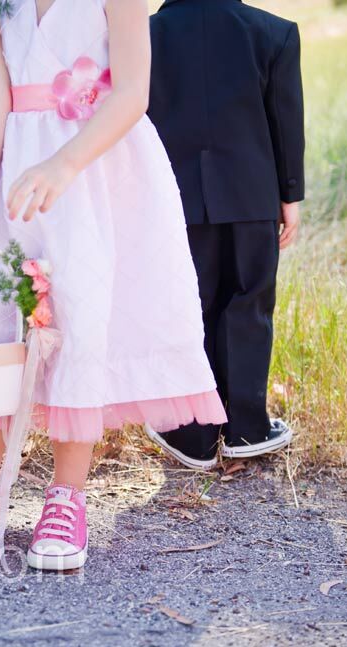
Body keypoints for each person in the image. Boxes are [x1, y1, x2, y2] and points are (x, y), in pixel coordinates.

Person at [0, 0, 227, 572]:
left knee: (79, 318)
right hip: (13, 172)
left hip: (90, 172)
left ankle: (66, 497)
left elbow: (131, 93)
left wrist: (63, 165)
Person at [145, 0, 305, 470]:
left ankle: (191, 432)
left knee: (190, 307)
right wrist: (289, 193)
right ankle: (246, 428)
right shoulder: (274, 32)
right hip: (252, 194)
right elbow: (285, 120)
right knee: (249, 303)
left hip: (174, 197)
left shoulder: (147, 33)